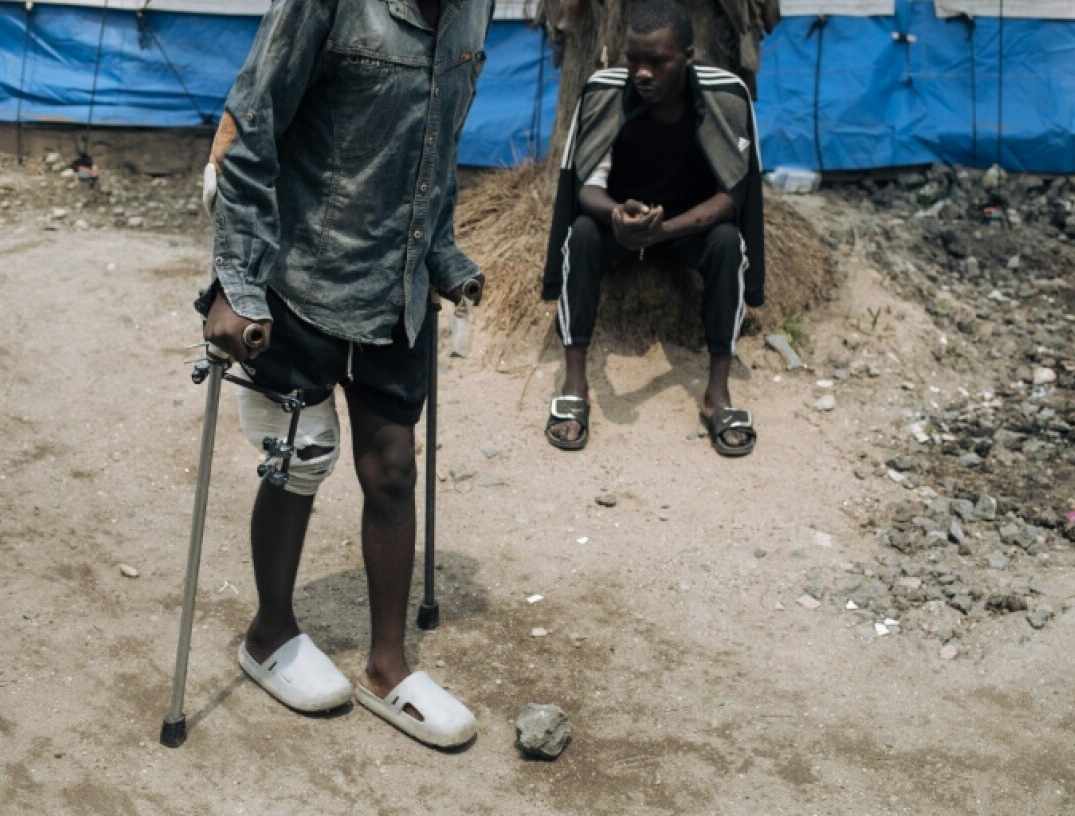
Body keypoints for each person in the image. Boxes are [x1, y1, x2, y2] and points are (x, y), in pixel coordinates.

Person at [197, 0, 492, 749]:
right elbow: (249, 125)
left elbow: (439, 147)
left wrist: (445, 255)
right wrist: (236, 279)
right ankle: (269, 633)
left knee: (393, 466)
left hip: (398, 286)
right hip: (303, 276)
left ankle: (388, 668)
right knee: (300, 458)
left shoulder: (474, 11)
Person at [540, 0, 765, 457]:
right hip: (621, 220)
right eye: (633, 60)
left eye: (657, 62)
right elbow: (587, 186)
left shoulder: (724, 99)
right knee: (581, 234)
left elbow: (729, 198)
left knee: (726, 243)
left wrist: (666, 230)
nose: (642, 73)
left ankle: (717, 392)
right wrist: (618, 216)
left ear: (687, 55)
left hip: (687, 225)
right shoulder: (605, 93)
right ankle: (576, 382)